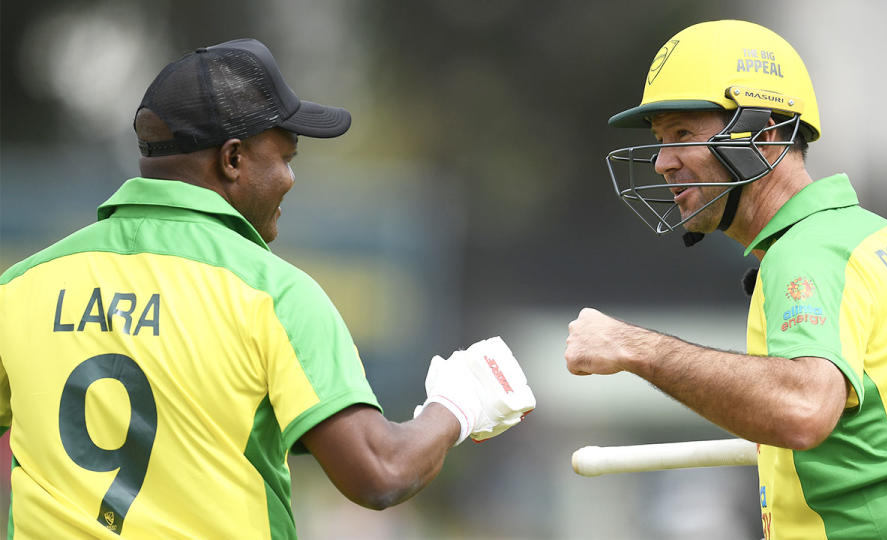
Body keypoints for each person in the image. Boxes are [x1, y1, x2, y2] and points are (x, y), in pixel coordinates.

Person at [0, 38, 534, 539]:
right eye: (285, 157)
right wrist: (459, 403)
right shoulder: (273, 295)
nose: (290, 178)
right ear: (232, 159)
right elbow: (380, 471)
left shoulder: (21, 286)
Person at [565, 19, 887, 539]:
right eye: (661, 140)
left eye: (682, 134)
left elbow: (803, 409)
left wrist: (634, 347)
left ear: (766, 134)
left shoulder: (807, 251)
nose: (662, 162)